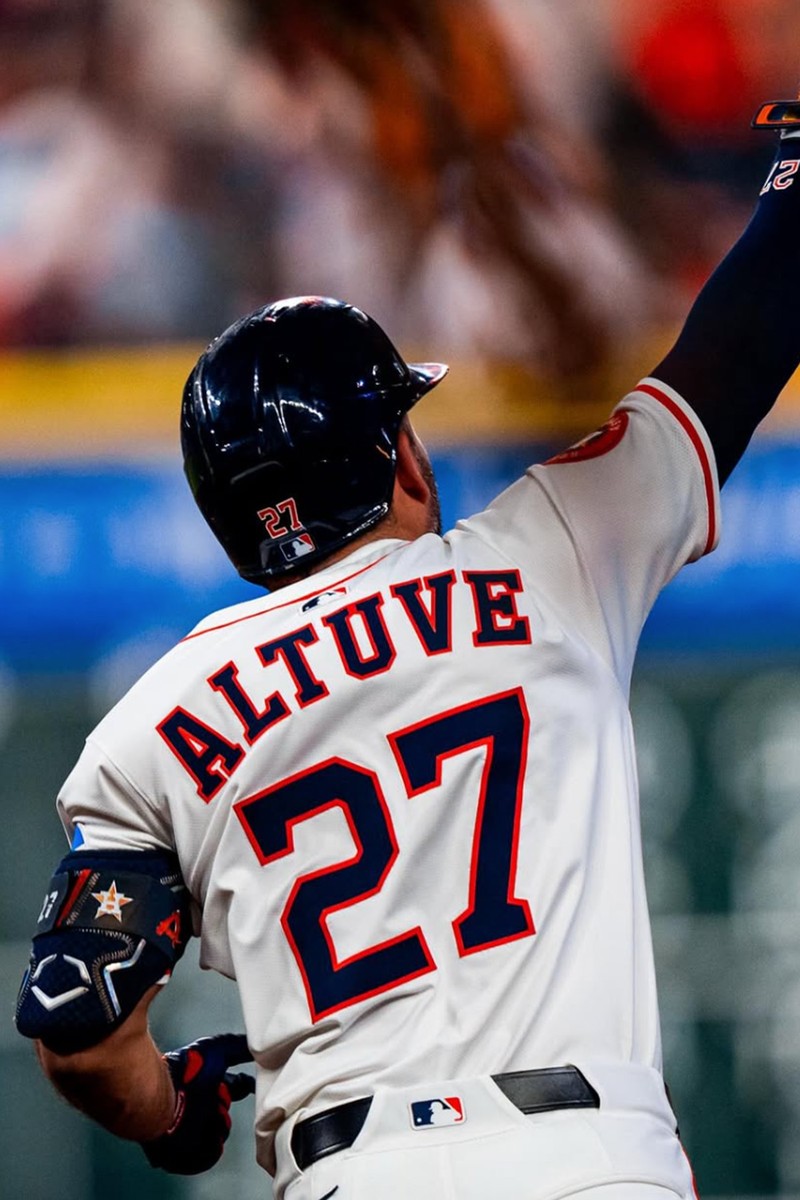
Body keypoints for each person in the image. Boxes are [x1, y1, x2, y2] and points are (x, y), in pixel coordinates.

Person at [14, 96, 800, 1200]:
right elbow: (737, 349)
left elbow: (80, 1028)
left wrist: (173, 1112)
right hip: (592, 1161)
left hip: (359, 1172)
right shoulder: (549, 556)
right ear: (402, 457)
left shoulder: (152, 723)